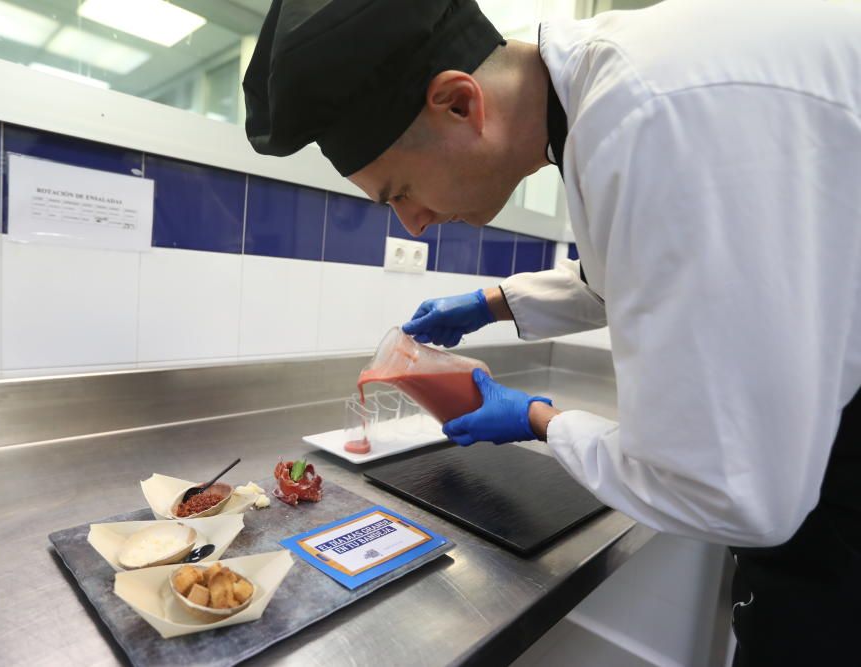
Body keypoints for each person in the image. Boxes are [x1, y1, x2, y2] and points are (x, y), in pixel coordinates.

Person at [242, 0, 861, 663]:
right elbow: (636, 269)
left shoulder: (652, 117)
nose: (414, 224)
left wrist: (539, 419)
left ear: (459, 102)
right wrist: (492, 302)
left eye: (399, 191)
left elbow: (731, 492)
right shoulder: (612, 91)